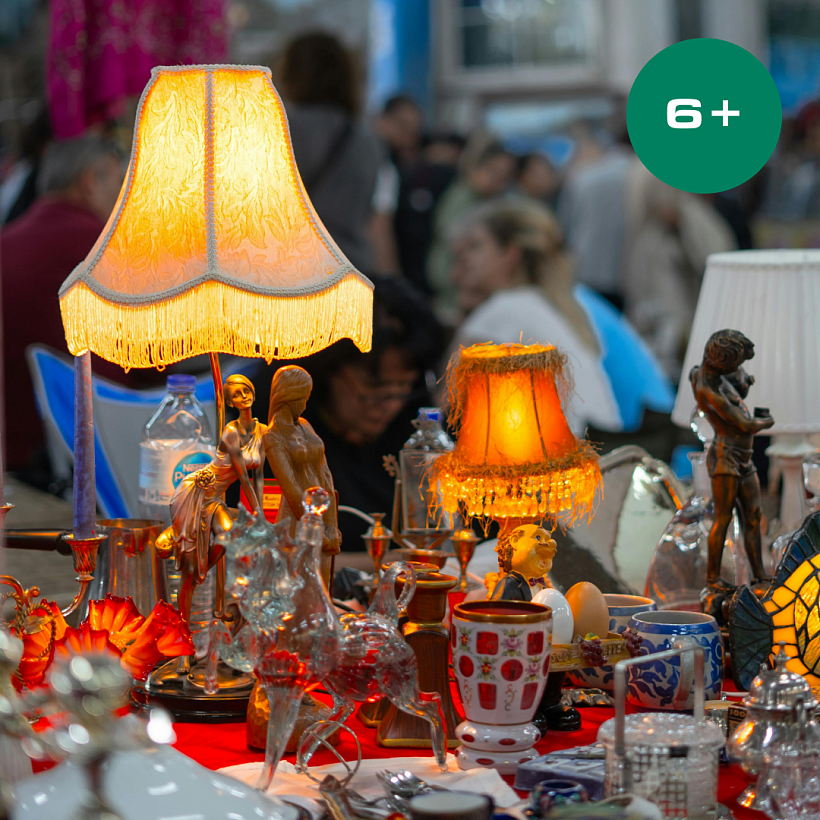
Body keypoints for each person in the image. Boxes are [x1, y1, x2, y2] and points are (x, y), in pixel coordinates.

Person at [252, 275, 444, 550]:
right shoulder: (276, 428)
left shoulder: (413, 424)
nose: (391, 404)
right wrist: (391, 562)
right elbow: (270, 550)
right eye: (375, 387)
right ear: (327, 368)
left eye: (403, 386)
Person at [1, 136, 125, 479]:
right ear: (90, 181)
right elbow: (145, 358)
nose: (122, 198)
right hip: (76, 455)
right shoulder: (101, 244)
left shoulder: (7, 239)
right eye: (119, 183)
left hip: (13, 450)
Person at [450, 198, 621, 434]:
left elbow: (446, 406)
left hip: (566, 453)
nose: (464, 260)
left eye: (475, 246)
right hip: (604, 448)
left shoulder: (505, 308)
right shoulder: (552, 305)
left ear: (510, 253)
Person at [156, 374, 265, 654]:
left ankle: (201, 563)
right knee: (189, 571)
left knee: (227, 534)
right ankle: (182, 635)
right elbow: (242, 476)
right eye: (236, 395)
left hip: (215, 499)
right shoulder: (230, 431)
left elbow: (258, 476)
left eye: (246, 391)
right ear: (229, 402)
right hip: (197, 491)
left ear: (253, 391)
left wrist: (261, 511)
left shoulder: (262, 431)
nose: (243, 397)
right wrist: (257, 510)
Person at [275, 32, 380, 272]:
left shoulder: (279, 129)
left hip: (293, 269)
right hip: (352, 268)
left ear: (291, 73)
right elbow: (369, 214)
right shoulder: (367, 141)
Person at [690, 330, 774, 597]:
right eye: (735, 365)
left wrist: (744, 382)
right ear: (721, 363)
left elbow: (740, 392)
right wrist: (767, 422)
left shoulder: (720, 375)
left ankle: (759, 574)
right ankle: (713, 579)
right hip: (725, 459)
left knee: (754, 516)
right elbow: (745, 424)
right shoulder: (707, 388)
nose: (738, 369)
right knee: (723, 517)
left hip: (744, 458)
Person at [264, 365, 341, 586]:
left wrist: (332, 525)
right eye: (304, 398)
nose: (306, 404)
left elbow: (325, 474)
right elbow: (290, 488)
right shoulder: (273, 436)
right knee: (301, 586)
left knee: (322, 584)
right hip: (297, 520)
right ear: (290, 396)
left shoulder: (305, 425)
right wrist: (315, 528)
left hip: (322, 514)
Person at [427, 134, 515, 323]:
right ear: (475, 167)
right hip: (447, 286)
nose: (495, 180)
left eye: (503, 177)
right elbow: (450, 234)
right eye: (491, 171)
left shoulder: (497, 204)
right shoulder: (460, 196)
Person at [558, 120, 633, 310]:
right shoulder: (639, 175)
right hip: (625, 269)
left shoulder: (584, 176)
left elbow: (565, 224)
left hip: (586, 264)